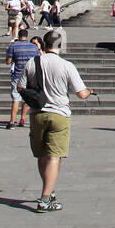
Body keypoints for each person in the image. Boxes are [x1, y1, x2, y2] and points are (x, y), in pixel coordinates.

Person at [23, 30, 93, 212]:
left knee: (41, 154)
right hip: (59, 114)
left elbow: (20, 87)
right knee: (54, 155)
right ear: (60, 46)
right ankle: (45, 199)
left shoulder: (32, 62)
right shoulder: (66, 65)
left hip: (37, 113)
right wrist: (90, 91)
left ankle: (49, 190)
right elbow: (81, 93)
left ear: (43, 45)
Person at [6, 26, 41, 127]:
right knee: (27, 99)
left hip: (17, 75)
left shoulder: (13, 46)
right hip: (30, 76)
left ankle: (12, 121)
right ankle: (22, 119)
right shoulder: (33, 47)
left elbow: (8, 62)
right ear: (27, 36)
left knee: (16, 98)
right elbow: (37, 60)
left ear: (19, 36)